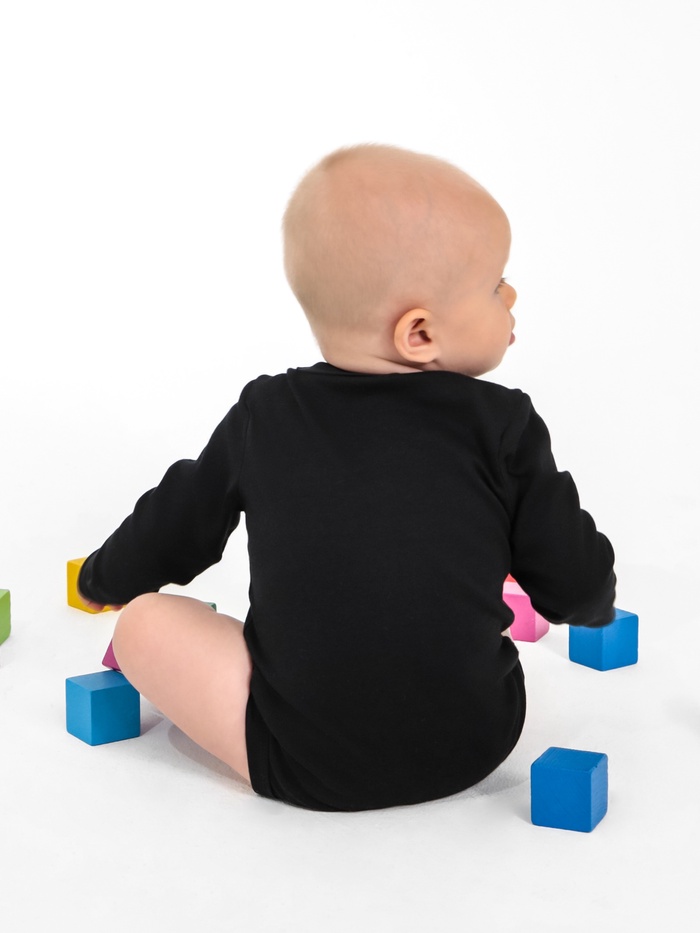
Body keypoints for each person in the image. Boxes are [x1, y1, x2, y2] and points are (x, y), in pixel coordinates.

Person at [78, 144, 616, 811]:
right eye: (495, 284)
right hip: (476, 741)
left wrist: (103, 579)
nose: (512, 296)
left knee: (143, 622)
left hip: (300, 759)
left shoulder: (266, 414)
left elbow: (177, 525)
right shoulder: (503, 424)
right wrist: (597, 606)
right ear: (419, 334)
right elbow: (573, 581)